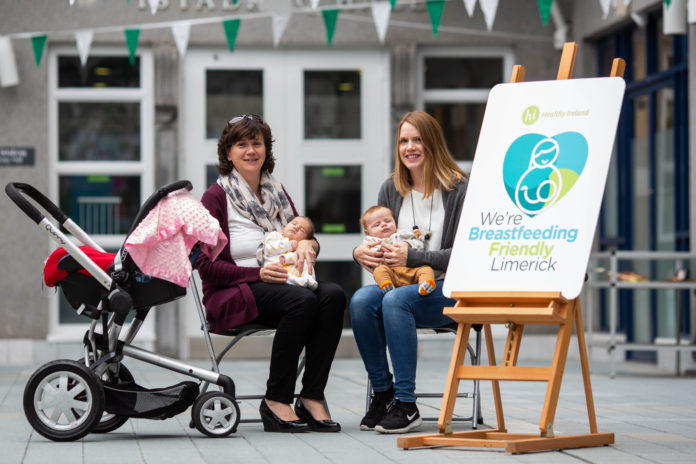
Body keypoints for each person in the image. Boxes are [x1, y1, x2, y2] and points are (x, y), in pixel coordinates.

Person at [196, 114, 345, 433]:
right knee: (303, 301)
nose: (250, 151)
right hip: (231, 293)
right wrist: (259, 274)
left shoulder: (276, 192)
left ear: (266, 149)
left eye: (256, 143)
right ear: (228, 153)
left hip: (283, 284)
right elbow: (206, 268)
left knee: (333, 295)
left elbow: (300, 232)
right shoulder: (216, 197)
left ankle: (311, 397)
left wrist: (310, 245)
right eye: (242, 144)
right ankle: (276, 399)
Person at [350, 111, 468, 434]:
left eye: (417, 140)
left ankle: (406, 402)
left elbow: (465, 254)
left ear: (432, 143)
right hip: (401, 285)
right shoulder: (392, 188)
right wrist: (361, 252)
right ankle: (384, 393)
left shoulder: (458, 189)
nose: (410, 147)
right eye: (404, 141)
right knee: (361, 301)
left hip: (446, 289)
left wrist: (413, 255)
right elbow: (378, 242)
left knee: (394, 301)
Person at [360, 205, 435, 295]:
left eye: (387, 221)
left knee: (426, 269)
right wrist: (378, 251)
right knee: (379, 271)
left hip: (411, 270)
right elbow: (369, 257)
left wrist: (408, 244)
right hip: (391, 273)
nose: (384, 224)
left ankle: (425, 285)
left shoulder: (403, 234)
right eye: (377, 224)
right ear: (367, 232)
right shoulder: (370, 241)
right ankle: (388, 287)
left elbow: (420, 245)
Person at [260, 216, 319, 289]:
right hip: (275, 269)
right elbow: (268, 249)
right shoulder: (275, 236)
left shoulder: (300, 246)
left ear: (305, 239)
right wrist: (289, 245)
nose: (296, 227)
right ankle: (297, 282)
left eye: (302, 230)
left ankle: (308, 279)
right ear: (285, 227)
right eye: (294, 224)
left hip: (294, 274)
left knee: (306, 261)